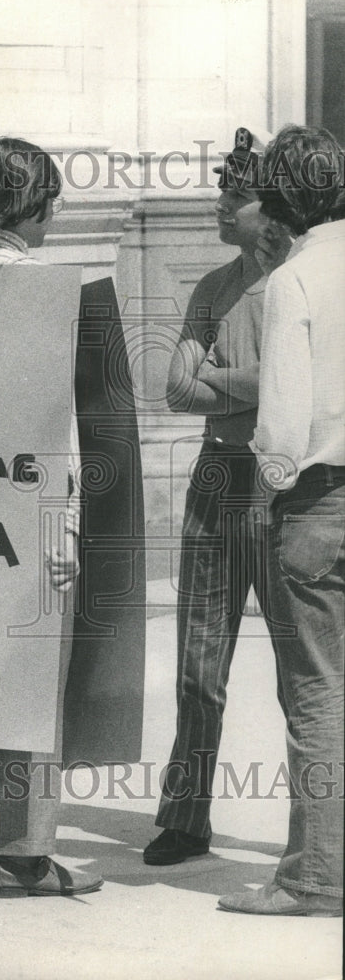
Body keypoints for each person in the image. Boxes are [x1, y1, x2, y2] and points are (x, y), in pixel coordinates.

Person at [0, 137, 103, 898]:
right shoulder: (42, 290)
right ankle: (26, 857)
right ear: (28, 205)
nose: (57, 215)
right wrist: (63, 530)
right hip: (19, 518)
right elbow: (53, 425)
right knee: (27, 684)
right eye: (51, 201)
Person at [143, 127, 288, 866]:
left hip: (282, 480)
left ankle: (315, 835)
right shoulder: (210, 287)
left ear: (270, 207)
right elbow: (172, 388)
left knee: (304, 676)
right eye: (220, 191)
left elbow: (291, 389)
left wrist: (225, 381)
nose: (219, 205)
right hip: (213, 478)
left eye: (235, 195)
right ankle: (184, 816)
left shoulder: (296, 287)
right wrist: (255, 383)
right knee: (198, 666)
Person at [219, 124, 344, 917]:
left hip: (318, 502)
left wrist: (269, 488)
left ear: (278, 202)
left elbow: (283, 421)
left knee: (317, 693)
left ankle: (312, 876)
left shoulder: (295, 281)